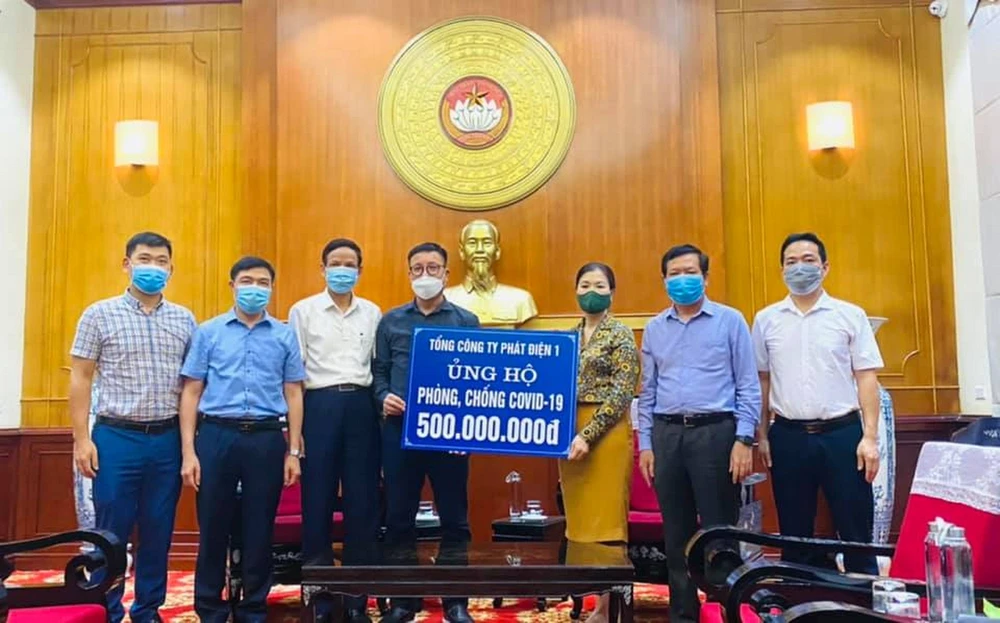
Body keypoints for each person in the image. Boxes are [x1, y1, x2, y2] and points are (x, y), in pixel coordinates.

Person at [68, 231, 196, 623]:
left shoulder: (184, 319)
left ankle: (147, 610)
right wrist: (81, 440)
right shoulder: (98, 314)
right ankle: (106, 610)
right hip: (115, 437)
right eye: (144, 259)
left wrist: (189, 447)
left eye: (161, 261)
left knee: (158, 530)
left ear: (171, 269)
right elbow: (80, 377)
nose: (153, 267)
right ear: (127, 264)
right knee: (110, 532)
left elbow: (192, 386)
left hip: (166, 438)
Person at [636, 244, 761, 623]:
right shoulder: (655, 328)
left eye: (690, 272)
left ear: (705, 278)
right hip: (667, 435)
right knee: (676, 534)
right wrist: (646, 444)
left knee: (719, 532)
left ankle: (725, 611)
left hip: (716, 434)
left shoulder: (730, 321)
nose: (682, 279)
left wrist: (744, 439)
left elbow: (748, 385)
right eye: (674, 273)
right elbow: (647, 392)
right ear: (664, 280)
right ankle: (683, 614)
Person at [179, 256, 306, 623]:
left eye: (263, 282)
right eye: (247, 281)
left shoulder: (283, 334)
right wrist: (189, 451)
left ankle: (253, 607)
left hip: (266, 438)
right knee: (213, 526)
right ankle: (209, 607)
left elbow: (294, 392)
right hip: (216, 436)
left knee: (259, 528)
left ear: (272, 288)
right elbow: (191, 391)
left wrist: (293, 451)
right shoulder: (209, 332)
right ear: (232, 285)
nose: (255, 288)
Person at [752, 232, 882, 574]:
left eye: (808, 260)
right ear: (782, 270)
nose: (800, 268)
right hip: (788, 436)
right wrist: (762, 434)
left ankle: (862, 595)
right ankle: (799, 596)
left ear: (825, 267)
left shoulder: (850, 315)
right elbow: (762, 381)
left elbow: (866, 377)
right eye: (791, 262)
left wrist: (870, 437)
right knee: (794, 533)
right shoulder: (766, 320)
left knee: (855, 528)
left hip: (843, 434)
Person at [374, 242, 480, 623]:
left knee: (455, 519)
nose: (425, 275)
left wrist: (467, 430)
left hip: (449, 436)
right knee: (399, 518)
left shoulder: (466, 321)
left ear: (446, 274)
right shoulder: (391, 321)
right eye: (417, 268)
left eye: (433, 268)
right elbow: (379, 372)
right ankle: (404, 600)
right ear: (408, 274)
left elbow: (478, 379)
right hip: (399, 433)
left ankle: (455, 601)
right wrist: (383, 396)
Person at [288, 238, 382, 623]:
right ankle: (321, 602)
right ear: (322, 268)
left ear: (359, 270)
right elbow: (294, 374)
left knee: (363, 505)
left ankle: (357, 601)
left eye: (349, 264)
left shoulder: (372, 312)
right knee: (317, 503)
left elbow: (377, 366)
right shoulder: (303, 311)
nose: (342, 270)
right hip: (319, 406)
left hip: (361, 407)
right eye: (335, 263)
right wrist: (295, 432)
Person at [560, 262, 639, 623]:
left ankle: (609, 608)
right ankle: (593, 599)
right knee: (580, 525)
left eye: (600, 285)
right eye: (585, 284)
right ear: (576, 291)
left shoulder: (620, 334)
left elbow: (622, 394)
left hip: (605, 434)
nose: (591, 291)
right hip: (569, 433)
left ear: (612, 292)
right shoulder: (568, 337)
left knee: (607, 525)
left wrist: (588, 435)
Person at [442, 219, 538, 325]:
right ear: (462, 252)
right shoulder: (444, 300)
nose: (479, 250)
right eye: (472, 243)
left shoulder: (521, 300)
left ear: (497, 251)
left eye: (487, 243)